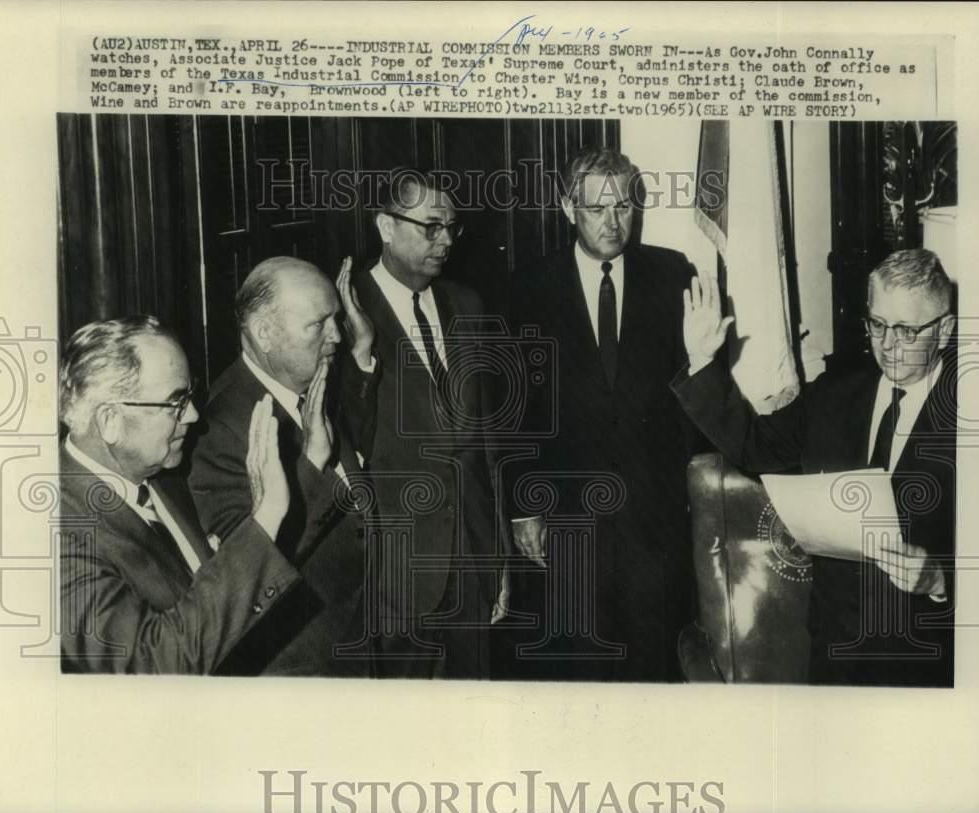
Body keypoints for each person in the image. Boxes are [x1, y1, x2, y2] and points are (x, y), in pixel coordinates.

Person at [674, 248, 956, 686]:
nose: (888, 346)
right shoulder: (835, 394)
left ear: (944, 330)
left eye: (906, 330)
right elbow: (755, 446)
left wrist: (942, 578)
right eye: (877, 325)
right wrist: (702, 362)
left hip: (929, 667)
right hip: (835, 659)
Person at [505, 146, 699, 681]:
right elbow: (515, 410)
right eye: (598, 210)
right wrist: (524, 506)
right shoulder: (528, 288)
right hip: (569, 513)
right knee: (581, 662)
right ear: (570, 209)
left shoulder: (673, 274)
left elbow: (693, 396)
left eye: (625, 207)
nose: (614, 223)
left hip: (653, 515)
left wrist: (691, 496)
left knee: (655, 661)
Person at [58, 315, 301, 674]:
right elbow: (152, 664)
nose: (193, 414)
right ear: (110, 420)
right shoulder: (55, 531)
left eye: (189, 395)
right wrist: (265, 518)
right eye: (175, 402)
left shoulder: (165, 476)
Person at [189, 256, 378, 676]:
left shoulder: (304, 383)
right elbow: (254, 567)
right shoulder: (221, 431)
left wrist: (363, 352)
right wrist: (311, 462)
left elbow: (351, 466)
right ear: (264, 333)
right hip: (303, 668)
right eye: (318, 324)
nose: (336, 336)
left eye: (336, 319)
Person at [349, 168, 502, 678]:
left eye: (452, 228)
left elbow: (484, 444)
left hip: (472, 558)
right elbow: (344, 440)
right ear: (385, 226)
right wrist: (362, 356)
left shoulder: (468, 305)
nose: (444, 241)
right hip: (393, 571)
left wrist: (496, 556)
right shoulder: (342, 312)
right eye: (430, 226)